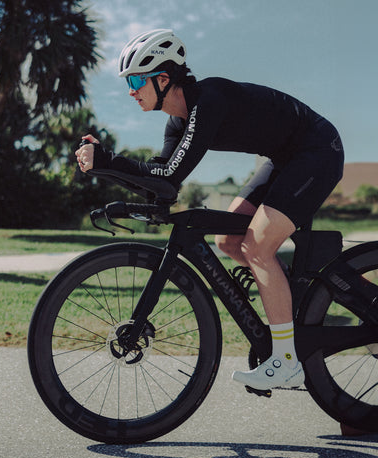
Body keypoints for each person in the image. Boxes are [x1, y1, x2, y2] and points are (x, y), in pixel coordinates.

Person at [75, 29, 344, 390]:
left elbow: (169, 173)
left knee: (257, 246)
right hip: (286, 157)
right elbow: (164, 184)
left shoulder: (209, 100)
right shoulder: (177, 123)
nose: (131, 90)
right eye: (129, 82)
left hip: (317, 150)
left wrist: (109, 159)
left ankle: (287, 360)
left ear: (164, 78)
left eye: (137, 79)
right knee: (230, 242)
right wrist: (105, 168)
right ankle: (296, 302)